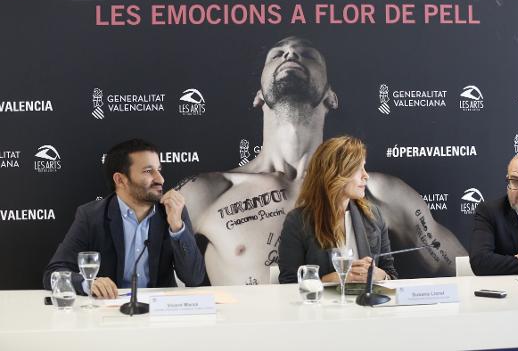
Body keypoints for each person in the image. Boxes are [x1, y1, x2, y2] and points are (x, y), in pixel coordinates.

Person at [178, 36, 466, 285]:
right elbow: (160, 283)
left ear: (331, 96)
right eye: (277, 54)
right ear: (258, 97)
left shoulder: (379, 192)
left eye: (307, 54)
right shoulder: (208, 192)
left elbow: (461, 271)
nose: (290, 55)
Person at [43, 139, 206, 298]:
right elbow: (53, 274)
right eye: (148, 171)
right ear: (120, 180)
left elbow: (194, 278)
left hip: (158, 313)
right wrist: (88, 284)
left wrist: (177, 227)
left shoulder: (173, 211)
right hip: (111, 312)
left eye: (159, 169)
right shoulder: (91, 216)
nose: (160, 179)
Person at [278, 136, 398, 283]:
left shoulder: (373, 215)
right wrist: (327, 280)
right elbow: (288, 282)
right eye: (358, 169)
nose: (365, 175)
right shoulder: (297, 221)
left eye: (364, 168)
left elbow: (391, 274)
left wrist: (380, 275)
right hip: (319, 306)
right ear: (334, 173)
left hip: (366, 304)